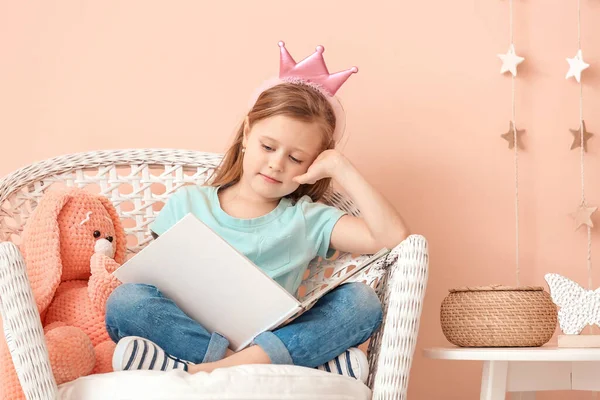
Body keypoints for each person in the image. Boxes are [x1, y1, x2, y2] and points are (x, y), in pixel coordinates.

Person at [105, 42, 409, 383]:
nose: (276, 164)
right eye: (268, 146)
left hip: (272, 336)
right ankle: (267, 365)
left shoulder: (306, 219)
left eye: (296, 158)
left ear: (314, 163)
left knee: (362, 302)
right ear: (247, 134)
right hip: (194, 334)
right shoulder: (188, 203)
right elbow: (153, 283)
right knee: (127, 301)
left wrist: (342, 169)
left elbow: (392, 237)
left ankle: (217, 369)